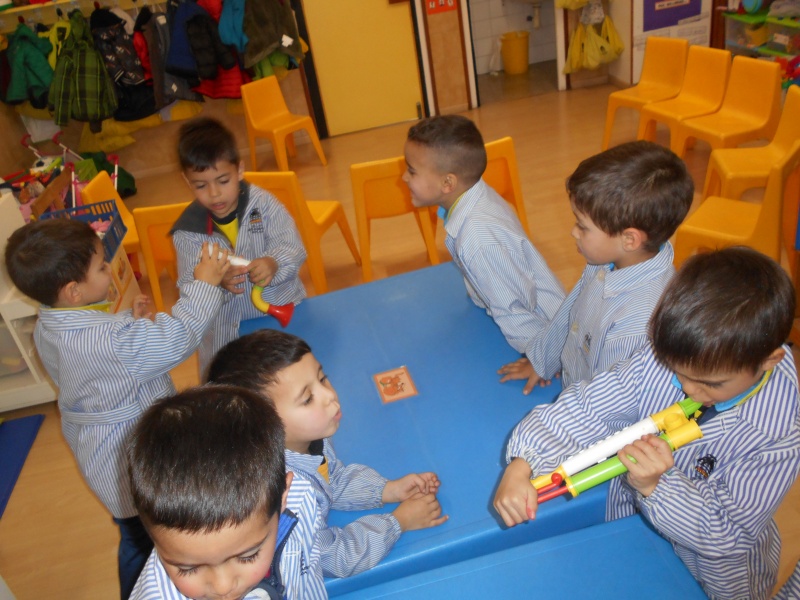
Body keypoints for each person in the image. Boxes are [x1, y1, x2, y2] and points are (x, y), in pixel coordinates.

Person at [493, 247, 800, 600]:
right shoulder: (663, 357)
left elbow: (729, 532)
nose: (689, 389)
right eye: (678, 372)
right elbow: (587, 407)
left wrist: (658, 486)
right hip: (635, 530)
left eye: (711, 384)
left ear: (769, 360)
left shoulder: (779, 435)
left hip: (713, 576)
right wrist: (524, 462)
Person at [3, 219, 229, 600]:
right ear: (73, 291)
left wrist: (127, 323)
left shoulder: (47, 324)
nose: (110, 269)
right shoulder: (110, 342)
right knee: (141, 541)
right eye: (102, 267)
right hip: (126, 457)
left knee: (134, 532)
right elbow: (178, 337)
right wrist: (204, 285)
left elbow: (95, 351)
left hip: (98, 449)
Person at [208, 329, 448, 579]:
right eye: (307, 399)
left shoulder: (308, 437)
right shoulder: (287, 498)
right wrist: (399, 521)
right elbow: (334, 557)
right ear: (265, 429)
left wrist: (387, 489)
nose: (330, 395)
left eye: (322, 379)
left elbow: (331, 477)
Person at [498, 141, 693, 394]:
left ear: (630, 239)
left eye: (582, 226)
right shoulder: (608, 260)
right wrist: (541, 361)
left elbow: (609, 400)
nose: (573, 232)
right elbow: (571, 313)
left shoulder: (637, 326)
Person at [127, 385, 323, 600]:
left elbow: (309, 580)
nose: (223, 587)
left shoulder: (301, 499)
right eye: (188, 568)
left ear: (283, 496)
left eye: (248, 557)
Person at [403, 115, 565, 358]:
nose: (404, 178)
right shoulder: (474, 196)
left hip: (547, 337)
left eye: (411, 171)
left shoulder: (477, 239)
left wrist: (541, 359)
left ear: (447, 183)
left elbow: (514, 309)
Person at [171, 116, 307, 377]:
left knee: (289, 377)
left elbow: (292, 246)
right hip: (226, 335)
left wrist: (274, 262)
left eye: (223, 180)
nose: (214, 194)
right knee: (235, 386)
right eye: (201, 185)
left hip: (278, 318)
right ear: (187, 181)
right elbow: (188, 286)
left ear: (239, 170)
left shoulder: (264, 204)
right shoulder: (188, 232)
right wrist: (215, 282)